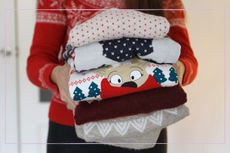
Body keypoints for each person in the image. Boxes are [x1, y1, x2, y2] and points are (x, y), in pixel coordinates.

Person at [26, 0, 198, 153]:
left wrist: (176, 71)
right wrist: (58, 75)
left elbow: (186, 59)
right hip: (73, 130)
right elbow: (37, 61)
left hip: (147, 127)